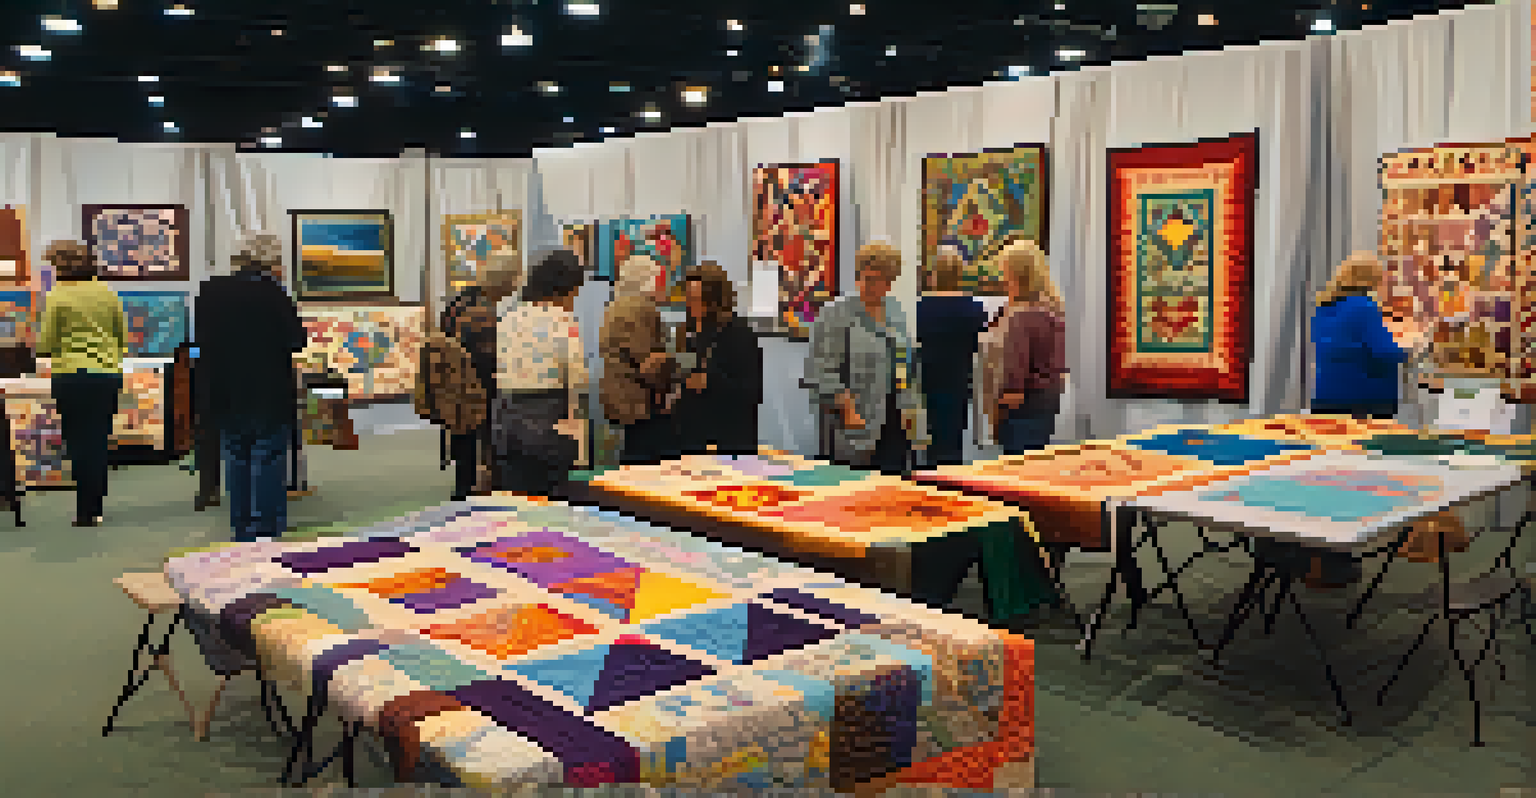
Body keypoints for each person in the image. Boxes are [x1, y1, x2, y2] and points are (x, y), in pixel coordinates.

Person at [195, 232, 306, 542]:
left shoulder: (210, 291)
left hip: (223, 387)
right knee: (268, 456)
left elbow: (201, 340)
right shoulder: (273, 292)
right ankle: (266, 529)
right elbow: (297, 340)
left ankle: (242, 527)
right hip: (267, 386)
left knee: (235, 455)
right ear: (270, 261)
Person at [804, 241, 927, 474]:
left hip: (895, 419)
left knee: (893, 491)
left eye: (879, 279)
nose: (870, 285)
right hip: (854, 419)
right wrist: (846, 407)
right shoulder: (835, 313)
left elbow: (905, 365)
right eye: (865, 277)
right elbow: (821, 369)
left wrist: (913, 414)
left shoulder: (895, 311)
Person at [37, 240, 126, 527]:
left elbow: (47, 342)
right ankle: (96, 505)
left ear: (60, 265)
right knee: (99, 439)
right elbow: (121, 336)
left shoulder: (57, 295)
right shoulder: (107, 292)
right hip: (106, 374)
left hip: (70, 375)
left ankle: (84, 510)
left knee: (76, 442)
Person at [494, 248, 589, 495]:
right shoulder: (561, 319)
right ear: (565, 289)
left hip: (507, 417)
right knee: (551, 496)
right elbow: (577, 377)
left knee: (516, 495)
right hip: (549, 419)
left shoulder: (509, 317)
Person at [1311, 251, 1430, 419]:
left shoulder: (1324, 306)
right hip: (1364, 400)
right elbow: (1385, 352)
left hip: (1326, 397)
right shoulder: (1364, 307)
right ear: (1370, 279)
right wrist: (1414, 348)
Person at [441, 259, 523, 501]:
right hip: (475, 386)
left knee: (464, 441)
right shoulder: (480, 310)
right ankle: (470, 494)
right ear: (503, 282)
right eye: (513, 281)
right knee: (480, 440)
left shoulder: (461, 300)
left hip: (456, 385)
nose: (515, 287)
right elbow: (486, 356)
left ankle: (465, 488)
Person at [984, 239, 1068, 455]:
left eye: (1005, 272)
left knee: (1016, 470)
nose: (1003, 279)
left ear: (1017, 275)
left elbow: (1015, 371)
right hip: (1048, 399)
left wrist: (999, 409)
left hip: (1022, 403)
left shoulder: (1022, 314)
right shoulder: (1053, 308)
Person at [675, 261, 762, 455]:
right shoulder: (688, 330)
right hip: (692, 440)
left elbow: (752, 393)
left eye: (698, 300)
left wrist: (710, 380)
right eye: (689, 299)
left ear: (716, 299)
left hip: (730, 441)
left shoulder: (739, 333)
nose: (692, 306)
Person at [600, 253, 679, 465]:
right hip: (640, 399)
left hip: (622, 395)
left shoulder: (617, 305)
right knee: (644, 460)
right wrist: (668, 391)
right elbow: (649, 363)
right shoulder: (640, 308)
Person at [917, 246, 988, 466]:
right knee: (953, 439)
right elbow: (978, 346)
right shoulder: (974, 308)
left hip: (926, 379)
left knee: (927, 439)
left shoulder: (920, 307)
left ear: (934, 274)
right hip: (959, 379)